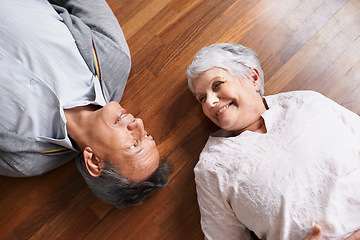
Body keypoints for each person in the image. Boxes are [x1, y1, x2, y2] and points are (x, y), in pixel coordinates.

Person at [0, 0, 170, 208]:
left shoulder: (23, 159)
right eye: (147, 136)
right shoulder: (113, 58)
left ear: (94, 162)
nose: (139, 124)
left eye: (133, 144)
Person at [187, 43, 360, 239]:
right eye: (202, 98)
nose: (210, 102)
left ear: (253, 77)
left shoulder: (308, 102)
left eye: (217, 85)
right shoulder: (212, 168)